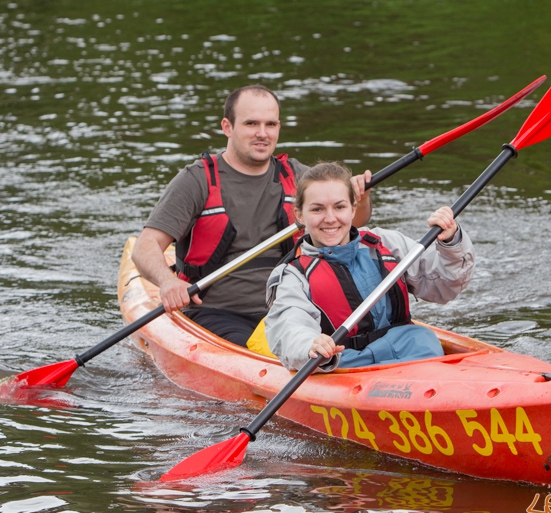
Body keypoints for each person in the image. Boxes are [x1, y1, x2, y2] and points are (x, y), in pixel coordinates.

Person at [131, 85, 372, 346]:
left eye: (271, 124)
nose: (262, 134)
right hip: (219, 314)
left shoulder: (298, 177)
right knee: (274, 351)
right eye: (251, 124)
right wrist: (167, 282)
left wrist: (361, 197)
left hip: (295, 307)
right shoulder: (196, 181)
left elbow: (352, 223)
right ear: (227, 127)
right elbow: (145, 247)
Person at [263, 161, 475, 372]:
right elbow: (288, 326)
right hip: (344, 365)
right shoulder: (292, 275)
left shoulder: (387, 244)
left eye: (339, 207)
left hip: (411, 350)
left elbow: (445, 286)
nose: (330, 218)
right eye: (317, 209)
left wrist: (451, 242)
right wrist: (309, 345)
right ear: (300, 215)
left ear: (353, 209)